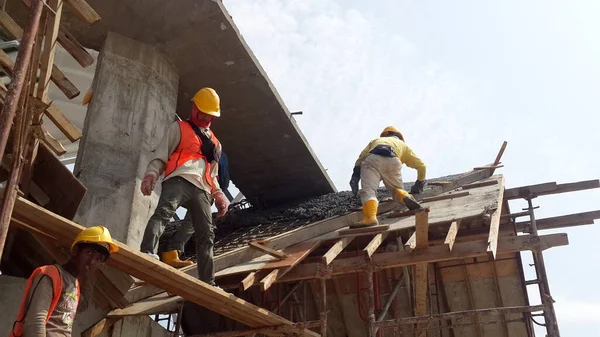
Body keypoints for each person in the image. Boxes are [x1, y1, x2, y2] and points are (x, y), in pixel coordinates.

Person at [139, 87, 229, 286]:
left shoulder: (215, 144)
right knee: (163, 213)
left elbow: (213, 175)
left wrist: (219, 195)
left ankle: (208, 281)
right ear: (195, 108)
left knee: (207, 234)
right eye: (203, 114)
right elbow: (161, 154)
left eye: (209, 116)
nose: (205, 118)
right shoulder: (179, 128)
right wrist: (151, 175)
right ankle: (148, 251)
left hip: (203, 190)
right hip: (179, 180)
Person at [10, 226, 118, 337]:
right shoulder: (50, 274)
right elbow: (35, 322)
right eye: (89, 253)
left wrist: (89, 278)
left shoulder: (75, 285)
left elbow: (81, 307)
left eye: (98, 259)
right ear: (76, 251)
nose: (92, 262)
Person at [157, 151, 234, 268]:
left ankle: (170, 252)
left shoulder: (216, 151)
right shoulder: (201, 144)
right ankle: (167, 250)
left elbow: (220, 177)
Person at [350, 126, 427, 227]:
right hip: (393, 160)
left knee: (369, 191)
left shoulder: (376, 140)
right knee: (396, 190)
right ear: (399, 137)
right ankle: (405, 196)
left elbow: (361, 157)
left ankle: (370, 218)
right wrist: (420, 182)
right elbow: (422, 166)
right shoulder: (403, 145)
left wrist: (355, 176)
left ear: (385, 134)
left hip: (373, 159)